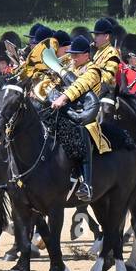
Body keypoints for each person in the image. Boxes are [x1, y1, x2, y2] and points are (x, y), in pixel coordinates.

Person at [49, 32, 117, 202]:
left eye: (76, 55)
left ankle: (86, 184)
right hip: (66, 111)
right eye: (71, 55)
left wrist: (62, 98)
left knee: (81, 134)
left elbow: (79, 86)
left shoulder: (93, 70)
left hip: (85, 115)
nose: (72, 58)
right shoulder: (72, 67)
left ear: (86, 55)